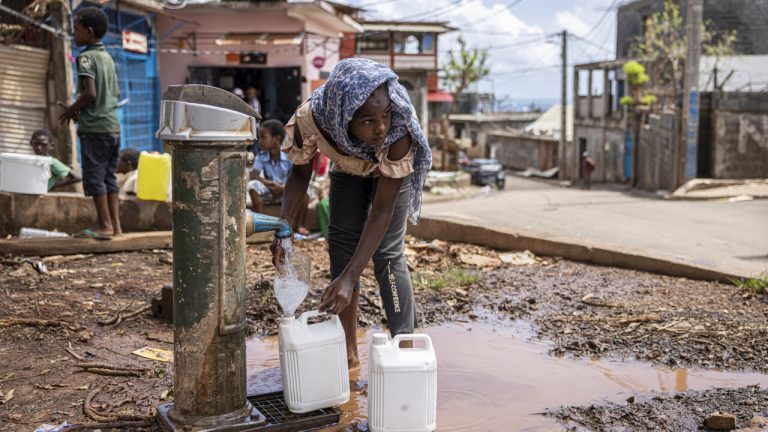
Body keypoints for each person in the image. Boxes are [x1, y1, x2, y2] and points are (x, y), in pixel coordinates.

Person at [275, 58, 432, 367]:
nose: (381, 127)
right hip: (348, 169)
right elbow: (299, 175)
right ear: (344, 115)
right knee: (341, 250)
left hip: (388, 174)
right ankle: (347, 352)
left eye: (384, 114)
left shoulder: (397, 131)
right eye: (368, 120)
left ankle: (406, 350)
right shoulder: (315, 117)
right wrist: (284, 230)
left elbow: (382, 209)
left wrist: (350, 279)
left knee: (387, 256)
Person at [59, 7, 121, 240]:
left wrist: (71, 110)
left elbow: (90, 93)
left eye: (76, 28)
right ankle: (116, 225)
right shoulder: (107, 58)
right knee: (109, 177)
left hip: (95, 129)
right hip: (113, 126)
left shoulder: (86, 57)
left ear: (89, 31)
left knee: (95, 177)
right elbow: (115, 91)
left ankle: (104, 225)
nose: (73, 33)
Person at [249, 120, 309, 234]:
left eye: (263, 137)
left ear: (276, 139)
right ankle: (262, 224)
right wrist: (269, 184)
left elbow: (298, 177)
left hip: (288, 192)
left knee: (306, 191)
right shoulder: (261, 156)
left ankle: (298, 225)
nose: (260, 141)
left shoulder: (289, 155)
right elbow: (254, 175)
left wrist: (283, 188)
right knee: (252, 186)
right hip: (271, 192)